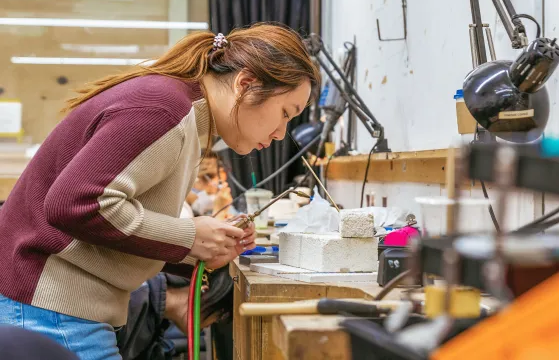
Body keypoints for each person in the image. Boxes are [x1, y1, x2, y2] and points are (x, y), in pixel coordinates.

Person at [0, 22, 320, 359]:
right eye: (285, 113)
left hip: (62, 307)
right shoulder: (163, 108)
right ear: (245, 84)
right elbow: (76, 204)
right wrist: (189, 237)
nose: (281, 134)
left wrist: (198, 251)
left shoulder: (189, 115)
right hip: (50, 309)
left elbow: (111, 223)